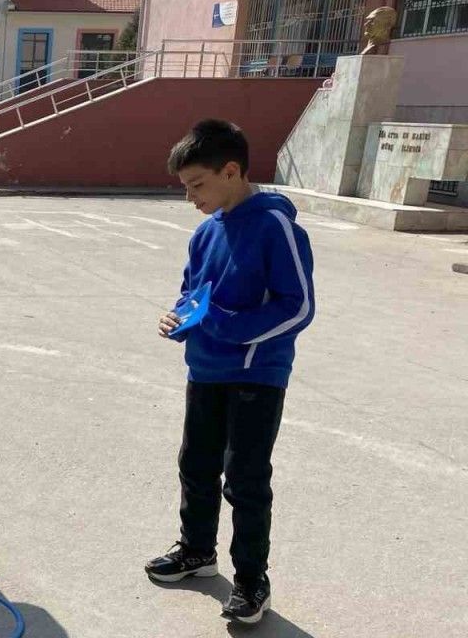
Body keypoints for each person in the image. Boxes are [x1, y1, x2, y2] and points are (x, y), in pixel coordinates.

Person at [145, 119, 315, 626]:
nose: (191, 197)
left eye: (197, 184)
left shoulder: (275, 226)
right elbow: (192, 293)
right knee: (196, 464)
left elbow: (298, 306)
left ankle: (251, 581)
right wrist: (178, 318)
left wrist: (226, 326)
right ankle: (197, 551)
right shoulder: (205, 233)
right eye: (185, 187)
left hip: (256, 375)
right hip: (206, 370)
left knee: (245, 479)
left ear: (232, 171)